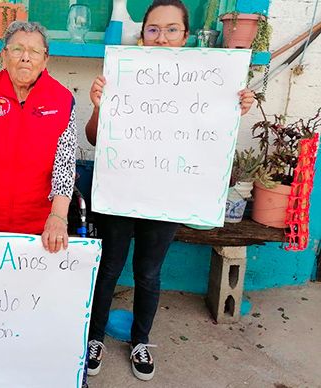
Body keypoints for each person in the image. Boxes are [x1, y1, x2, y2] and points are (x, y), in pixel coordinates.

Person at [84, 0, 256, 381]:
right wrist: (98, 107)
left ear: (186, 36)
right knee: (109, 267)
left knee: (148, 272)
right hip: (121, 192)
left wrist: (233, 108)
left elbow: (210, 137)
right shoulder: (122, 73)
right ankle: (94, 337)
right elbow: (94, 138)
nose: (162, 37)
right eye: (153, 29)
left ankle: (140, 340)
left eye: (171, 29)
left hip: (167, 195)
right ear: (142, 35)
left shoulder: (207, 79)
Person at [0, 21, 77, 254]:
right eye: (18, 49)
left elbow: (64, 165)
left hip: (37, 229)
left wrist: (58, 217)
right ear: (4, 54)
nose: (25, 58)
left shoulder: (62, 99)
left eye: (34, 51)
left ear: (46, 59)